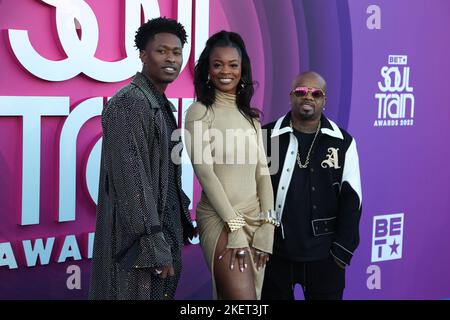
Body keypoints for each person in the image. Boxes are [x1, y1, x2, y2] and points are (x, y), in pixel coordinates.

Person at [89, 17, 195, 300]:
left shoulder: (160, 104)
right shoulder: (128, 103)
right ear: (143, 55)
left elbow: (167, 177)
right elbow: (131, 182)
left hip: (161, 236)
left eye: (177, 51)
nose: (171, 58)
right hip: (138, 248)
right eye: (162, 51)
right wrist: (154, 244)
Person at [184, 31, 276, 300]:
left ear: (242, 68)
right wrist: (234, 226)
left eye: (233, 65)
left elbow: (262, 172)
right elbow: (205, 173)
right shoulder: (199, 111)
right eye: (217, 64)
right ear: (208, 70)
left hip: (256, 218)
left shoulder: (250, 117)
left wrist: (268, 225)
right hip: (222, 219)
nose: (226, 71)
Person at [261, 71, 362, 300]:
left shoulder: (343, 142)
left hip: (325, 257)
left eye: (316, 93)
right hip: (275, 253)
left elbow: (352, 200)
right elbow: (251, 192)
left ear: (324, 101)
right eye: (301, 91)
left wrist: (341, 253)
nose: (308, 97)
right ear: (290, 96)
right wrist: (258, 242)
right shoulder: (265, 136)